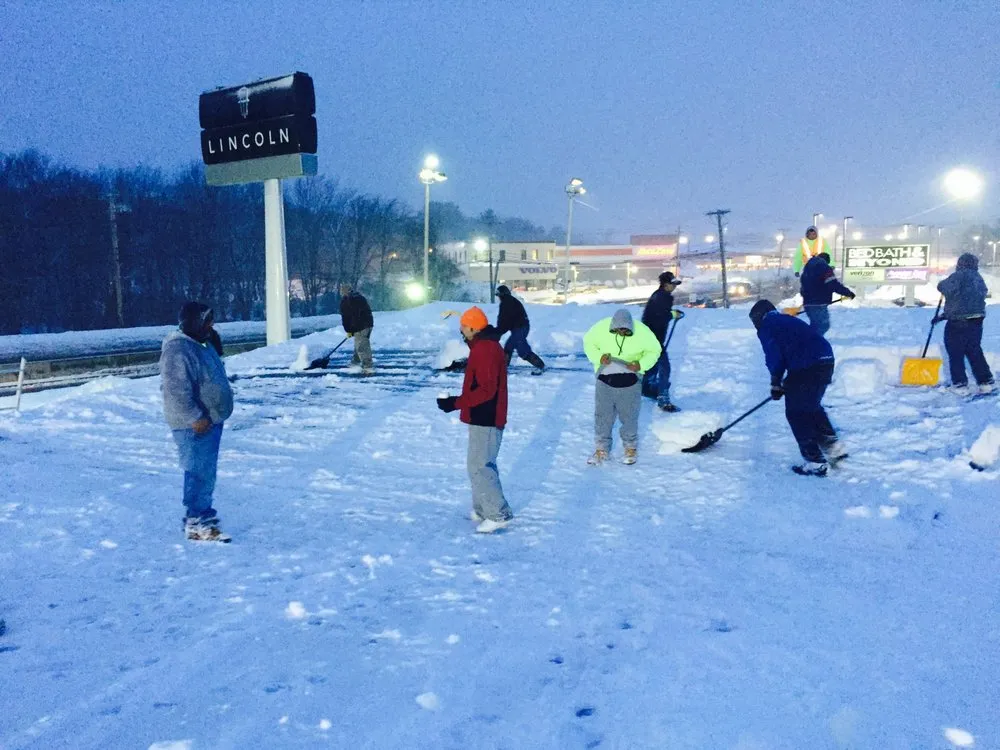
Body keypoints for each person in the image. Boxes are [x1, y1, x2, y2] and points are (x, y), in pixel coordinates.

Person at [160, 302, 234, 541]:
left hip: (209, 420)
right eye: (206, 320)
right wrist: (196, 417)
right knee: (198, 472)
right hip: (194, 424)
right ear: (193, 322)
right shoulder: (178, 350)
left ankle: (202, 515)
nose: (211, 325)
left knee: (205, 471)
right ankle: (197, 521)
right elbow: (175, 391)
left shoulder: (202, 342)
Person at [436, 306, 514, 533]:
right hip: (481, 414)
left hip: (487, 416)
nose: (461, 330)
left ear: (473, 328)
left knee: (482, 465)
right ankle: (482, 508)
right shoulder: (482, 346)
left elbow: (487, 390)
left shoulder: (486, 349)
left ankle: (498, 514)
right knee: (476, 465)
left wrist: (455, 403)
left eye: (463, 326)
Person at [749, 299, 845, 477]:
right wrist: (788, 380)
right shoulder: (788, 319)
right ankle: (833, 447)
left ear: (759, 317)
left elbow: (774, 355)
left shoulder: (767, 325)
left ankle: (815, 461)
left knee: (796, 413)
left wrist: (776, 381)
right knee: (811, 407)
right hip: (825, 360)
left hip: (806, 365)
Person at [583, 308, 661, 465]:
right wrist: (599, 357)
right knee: (603, 416)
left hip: (631, 382)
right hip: (605, 380)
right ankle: (601, 450)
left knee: (629, 417)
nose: (622, 333)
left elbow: (655, 350)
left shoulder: (643, 332)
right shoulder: (600, 328)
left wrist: (640, 364)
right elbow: (588, 343)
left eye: (626, 331)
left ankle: (630, 448)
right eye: (619, 330)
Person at [937, 253, 995, 395]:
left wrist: (943, 283)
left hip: (958, 322)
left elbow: (943, 287)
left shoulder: (959, 275)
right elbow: (968, 299)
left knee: (955, 352)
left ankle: (960, 385)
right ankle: (985, 382)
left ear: (960, 264)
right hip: (976, 321)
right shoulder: (978, 278)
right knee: (974, 350)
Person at [641, 271, 684, 411]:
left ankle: (646, 388)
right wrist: (672, 314)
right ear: (665, 284)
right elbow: (659, 316)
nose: (675, 287)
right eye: (673, 284)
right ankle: (663, 398)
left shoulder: (659, 296)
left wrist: (672, 314)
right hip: (653, 339)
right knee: (664, 367)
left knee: (652, 366)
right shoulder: (662, 297)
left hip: (651, 337)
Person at [799, 252, 855, 335]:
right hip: (819, 303)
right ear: (826, 261)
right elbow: (833, 284)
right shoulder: (824, 268)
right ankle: (810, 343)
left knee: (815, 326)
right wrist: (848, 293)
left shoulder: (807, 269)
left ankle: (808, 342)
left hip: (808, 303)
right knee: (823, 326)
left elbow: (803, 286)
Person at [496, 285, 545, 372]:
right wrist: (499, 331)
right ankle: (503, 367)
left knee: (521, 350)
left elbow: (503, 320)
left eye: (498, 295)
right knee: (510, 346)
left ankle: (540, 365)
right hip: (521, 327)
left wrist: (498, 332)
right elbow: (506, 321)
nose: (498, 297)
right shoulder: (510, 301)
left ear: (502, 295)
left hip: (520, 328)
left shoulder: (506, 303)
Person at [339, 283, 375, 374]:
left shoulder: (347, 301)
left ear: (344, 292)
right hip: (368, 324)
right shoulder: (359, 297)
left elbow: (346, 317)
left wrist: (349, 330)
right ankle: (355, 362)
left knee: (361, 346)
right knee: (359, 343)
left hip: (361, 326)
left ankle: (368, 367)